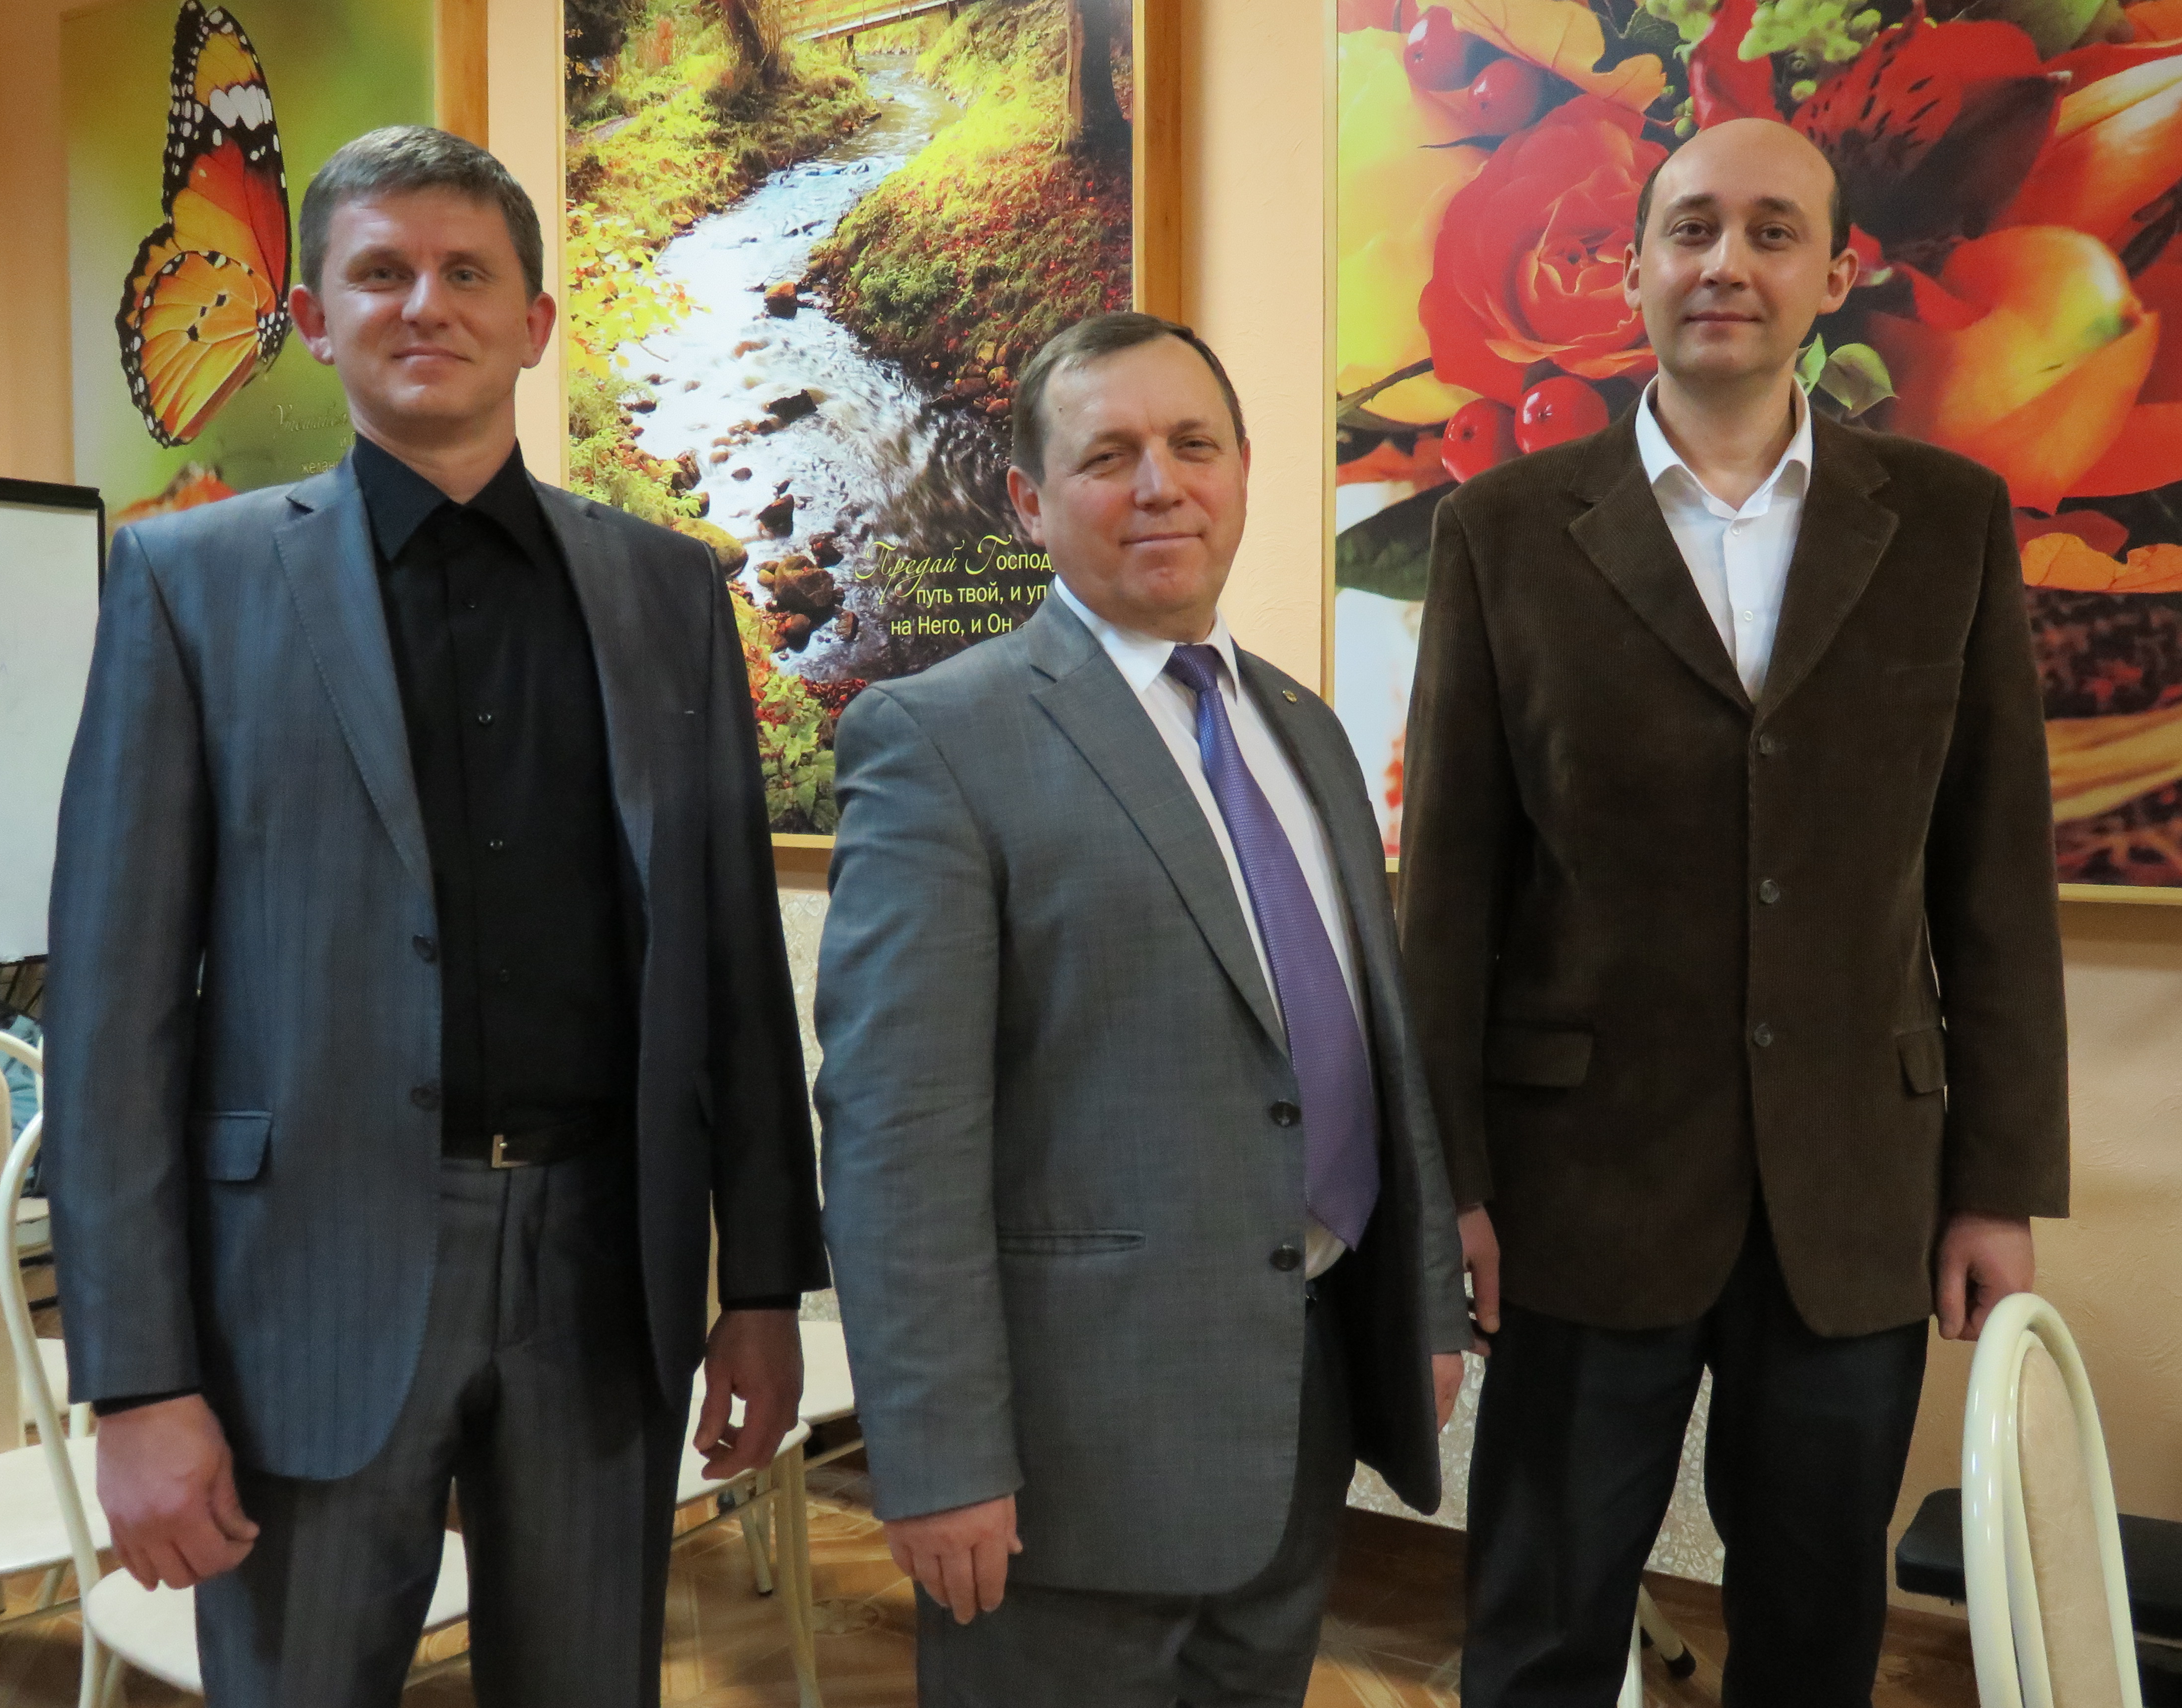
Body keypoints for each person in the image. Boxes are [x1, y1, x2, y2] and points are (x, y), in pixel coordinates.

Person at [44, 126, 827, 1708]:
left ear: (533, 323)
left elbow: (734, 968)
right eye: (381, 272)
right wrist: (136, 1383)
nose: (426, 305)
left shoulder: (667, 592)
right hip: (307, 1288)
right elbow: (113, 1017)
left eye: (467, 273)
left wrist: (760, 1289)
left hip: (606, 1272)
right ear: (315, 319)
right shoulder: (189, 586)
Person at [1398, 117, 2069, 1704]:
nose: (1727, 263)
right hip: (1579, 1192)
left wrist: (1996, 1183)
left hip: (1856, 1193)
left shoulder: (1948, 521)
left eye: (1774, 231)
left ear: (1837, 274)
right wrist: (1449, 1188)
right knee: (1541, 1633)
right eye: (1690, 228)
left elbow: (1993, 872)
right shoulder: (1502, 530)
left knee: (1817, 1641)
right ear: (1635, 270)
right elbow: (1454, 886)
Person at [816, 311, 1472, 1707]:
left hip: (1298, 1408)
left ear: (1244, 470)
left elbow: (1370, 1049)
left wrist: (1422, 1304)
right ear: (1028, 500)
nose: (1160, 485)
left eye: (1193, 445)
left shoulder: (1305, 728)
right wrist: (937, 1453)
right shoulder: (940, 738)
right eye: (1108, 455)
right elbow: (897, 1137)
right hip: (1069, 1465)